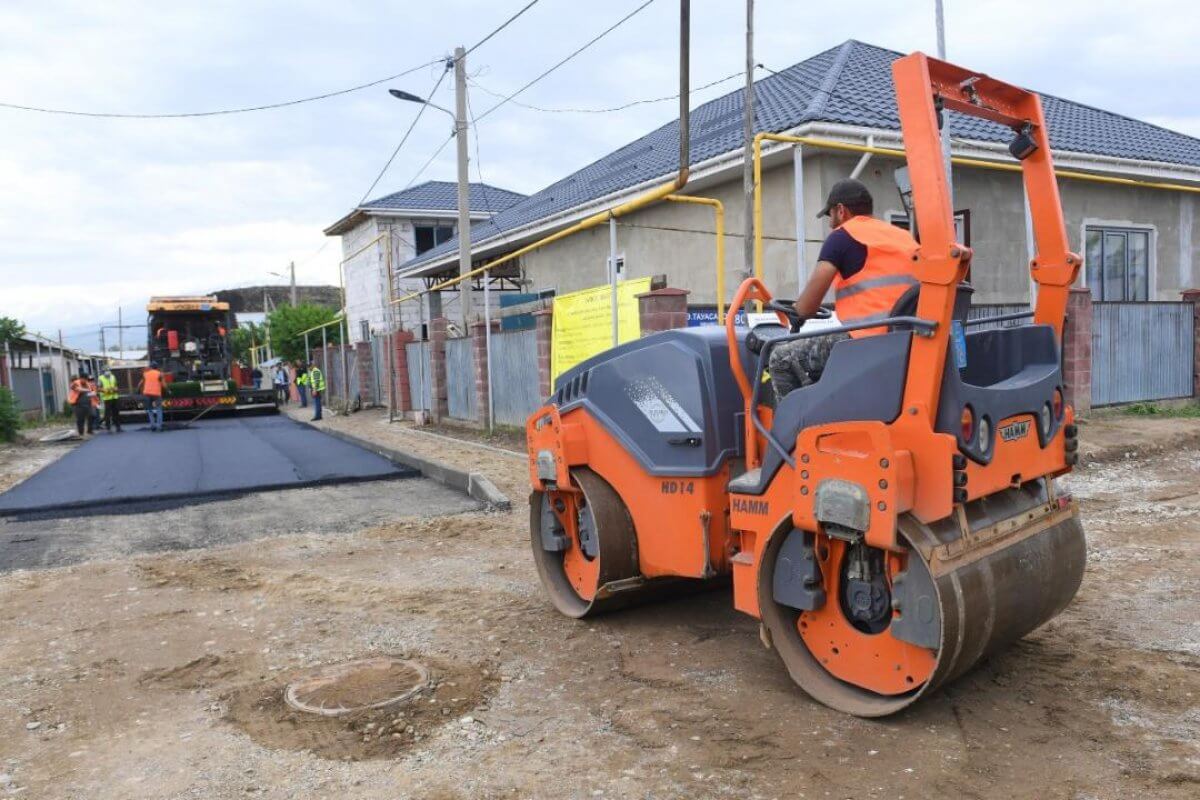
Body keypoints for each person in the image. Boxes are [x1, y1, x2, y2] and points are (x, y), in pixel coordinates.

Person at [769, 178, 919, 400]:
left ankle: (793, 430)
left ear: (841, 211)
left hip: (866, 342)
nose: (830, 224)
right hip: (908, 338)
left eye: (830, 216)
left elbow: (807, 307)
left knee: (779, 358)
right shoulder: (904, 237)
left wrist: (797, 311)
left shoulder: (842, 236)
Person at [68, 371, 99, 438]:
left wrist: (93, 394)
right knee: (80, 419)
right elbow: (78, 389)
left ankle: (89, 430)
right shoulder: (75, 383)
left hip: (87, 404)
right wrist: (87, 390)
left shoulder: (87, 384)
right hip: (77, 404)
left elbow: (91, 391)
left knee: (92, 415)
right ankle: (81, 433)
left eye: (86, 379)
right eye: (85, 379)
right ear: (81, 378)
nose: (86, 380)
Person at [137, 361, 166, 432]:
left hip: (147, 394)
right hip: (156, 394)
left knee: (150, 410)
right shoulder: (160, 374)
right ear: (157, 367)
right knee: (159, 409)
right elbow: (163, 385)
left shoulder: (145, 374)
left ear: (151, 367)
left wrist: (137, 390)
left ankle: (152, 426)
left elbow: (140, 383)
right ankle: (159, 426)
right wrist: (168, 390)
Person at [98, 367, 122, 433]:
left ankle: (118, 427)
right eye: (106, 371)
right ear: (103, 372)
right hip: (107, 398)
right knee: (107, 414)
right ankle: (108, 427)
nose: (107, 372)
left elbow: (116, 385)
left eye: (108, 370)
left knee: (116, 413)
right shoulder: (101, 378)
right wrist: (105, 390)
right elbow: (99, 388)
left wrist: (116, 389)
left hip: (114, 397)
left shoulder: (113, 377)